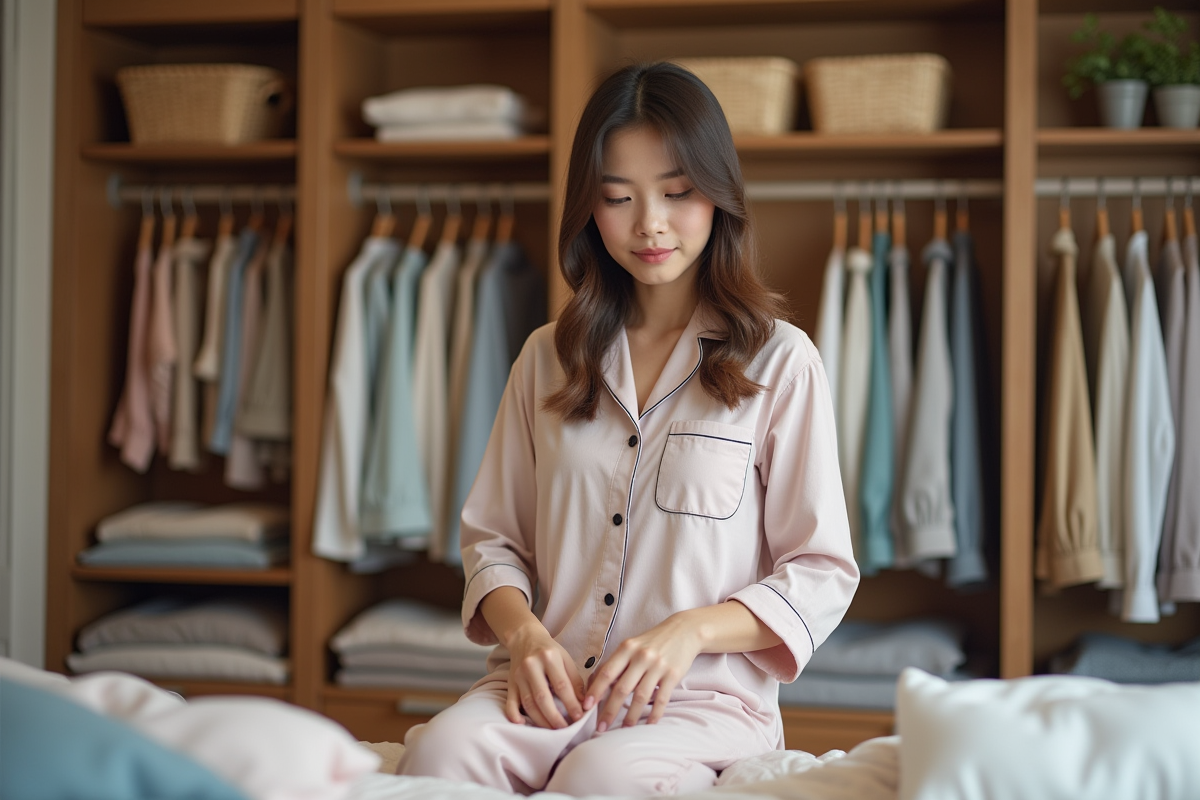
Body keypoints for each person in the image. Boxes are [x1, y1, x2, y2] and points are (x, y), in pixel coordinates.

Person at [396, 61, 859, 796]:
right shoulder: (546, 358)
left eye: (677, 193)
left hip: (701, 701)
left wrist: (691, 632)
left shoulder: (781, 361)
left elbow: (821, 571)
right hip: (546, 689)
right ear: (589, 208)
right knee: (435, 761)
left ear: (719, 196)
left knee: (600, 779)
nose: (650, 223)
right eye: (618, 197)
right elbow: (493, 541)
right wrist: (523, 639)